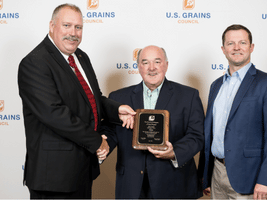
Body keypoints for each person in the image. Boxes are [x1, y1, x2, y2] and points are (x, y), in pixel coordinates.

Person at [18, 4, 135, 199]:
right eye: (67, 25)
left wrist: (117, 110)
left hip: (81, 170)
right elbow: (54, 114)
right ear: (52, 25)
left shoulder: (80, 57)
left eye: (78, 27)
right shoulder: (35, 62)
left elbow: (95, 99)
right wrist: (98, 142)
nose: (73, 33)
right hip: (54, 177)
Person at [100, 45, 205, 199]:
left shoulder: (188, 96)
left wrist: (174, 152)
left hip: (173, 182)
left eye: (157, 62)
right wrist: (101, 144)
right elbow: (110, 132)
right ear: (138, 67)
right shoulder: (118, 98)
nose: (152, 68)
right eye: (145, 62)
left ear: (166, 65)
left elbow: (197, 136)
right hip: (131, 183)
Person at [199, 24, 267, 199]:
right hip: (217, 174)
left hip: (250, 178)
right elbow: (210, 133)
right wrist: (206, 177)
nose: (236, 47)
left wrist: (266, 180)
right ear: (223, 49)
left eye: (242, 42)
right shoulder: (216, 85)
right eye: (231, 43)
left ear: (251, 47)